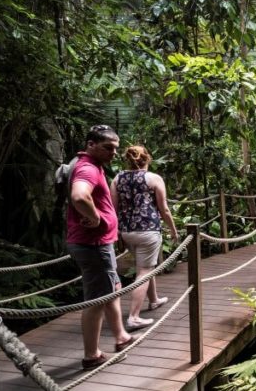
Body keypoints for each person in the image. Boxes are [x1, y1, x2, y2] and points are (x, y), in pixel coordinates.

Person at [67, 125, 136, 369]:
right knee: (96, 299)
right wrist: (96, 218)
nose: (113, 153)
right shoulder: (87, 168)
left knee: (112, 287)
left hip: (96, 243)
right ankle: (91, 355)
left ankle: (121, 336)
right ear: (91, 144)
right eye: (108, 147)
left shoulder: (89, 165)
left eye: (116, 148)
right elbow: (78, 196)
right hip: (92, 244)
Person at [112, 145, 179, 329]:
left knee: (145, 267)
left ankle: (154, 299)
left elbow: (113, 208)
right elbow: (164, 209)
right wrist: (173, 229)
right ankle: (133, 317)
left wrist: (116, 231)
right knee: (144, 271)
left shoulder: (118, 179)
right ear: (147, 159)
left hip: (127, 232)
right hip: (148, 230)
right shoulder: (153, 178)